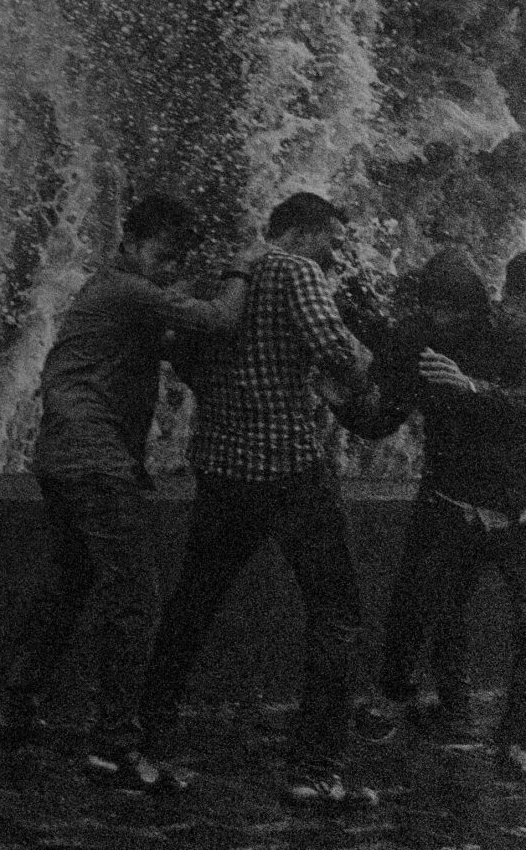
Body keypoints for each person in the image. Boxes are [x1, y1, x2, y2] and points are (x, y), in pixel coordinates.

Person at [0, 191, 249, 792]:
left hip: (65, 455)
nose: (172, 269)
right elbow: (217, 319)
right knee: (135, 599)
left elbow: (185, 352)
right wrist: (244, 268)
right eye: (165, 255)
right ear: (131, 245)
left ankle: (12, 709)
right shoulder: (124, 289)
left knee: (66, 586)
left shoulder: (119, 298)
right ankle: (115, 746)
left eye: (181, 261)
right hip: (96, 458)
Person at [137, 191, 373, 809]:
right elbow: (334, 346)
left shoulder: (229, 275)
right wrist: (360, 365)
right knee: (338, 613)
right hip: (291, 468)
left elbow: (185, 352)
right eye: (329, 240)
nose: (334, 254)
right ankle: (314, 769)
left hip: (222, 469)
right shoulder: (296, 270)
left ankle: (143, 740)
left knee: (192, 604)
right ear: (298, 232)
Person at [346, 246, 526, 774]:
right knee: (417, 606)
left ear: (480, 309)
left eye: (452, 310)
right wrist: (345, 403)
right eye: (432, 309)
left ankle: (520, 733)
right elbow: (384, 419)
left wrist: (472, 387)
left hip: (521, 508)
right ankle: (414, 701)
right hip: (449, 502)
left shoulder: (518, 335)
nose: (441, 320)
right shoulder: (416, 339)